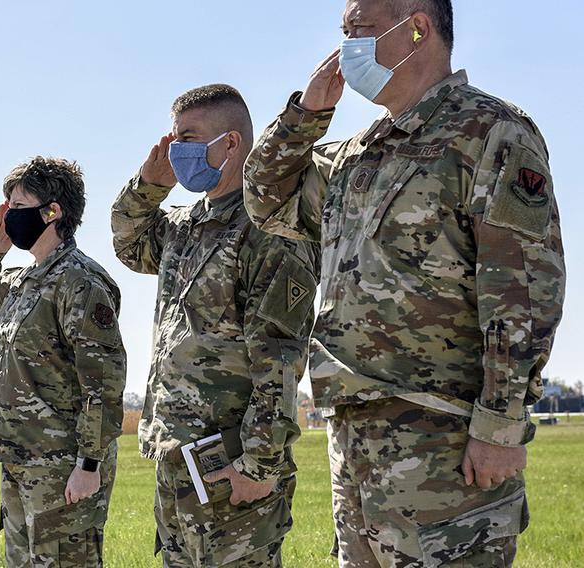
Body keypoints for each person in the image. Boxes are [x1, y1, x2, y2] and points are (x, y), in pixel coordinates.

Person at [243, 1, 565, 566]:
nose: (346, 49)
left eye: (359, 31)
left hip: (444, 441)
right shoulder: (355, 155)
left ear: (416, 26)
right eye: (343, 34)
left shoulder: (489, 131)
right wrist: (306, 116)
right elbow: (265, 200)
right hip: (355, 443)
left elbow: (522, 288)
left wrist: (500, 422)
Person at [111, 84, 319, 567]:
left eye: (188, 137)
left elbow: (281, 357)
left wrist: (259, 464)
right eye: (172, 138)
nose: (176, 150)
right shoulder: (183, 226)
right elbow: (128, 242)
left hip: (231, 460)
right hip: (177, 455)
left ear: (230, 144)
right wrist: (149, 183)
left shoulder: (269, 229)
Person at [0, 156, 127, 567]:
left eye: (17, 206)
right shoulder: (22, 282)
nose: (7, 216)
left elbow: (103, 382)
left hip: (62, 466)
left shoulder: (80, 281)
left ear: (52, 211)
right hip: (20, 460)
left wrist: (88, 464)